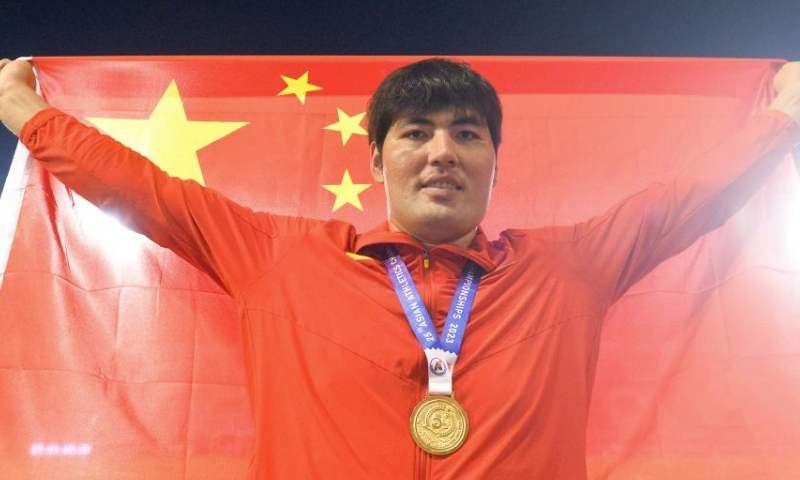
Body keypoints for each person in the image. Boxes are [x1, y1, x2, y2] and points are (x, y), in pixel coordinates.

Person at [1, 57, 799, 479]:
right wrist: (26, 113)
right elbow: (144, 190)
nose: (442, 151)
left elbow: (694, 197)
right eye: (416, 132)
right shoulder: (279, 259)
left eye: (467, 133)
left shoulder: (570, 268)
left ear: (494, 162)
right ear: (378, 157)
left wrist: (785, 115)